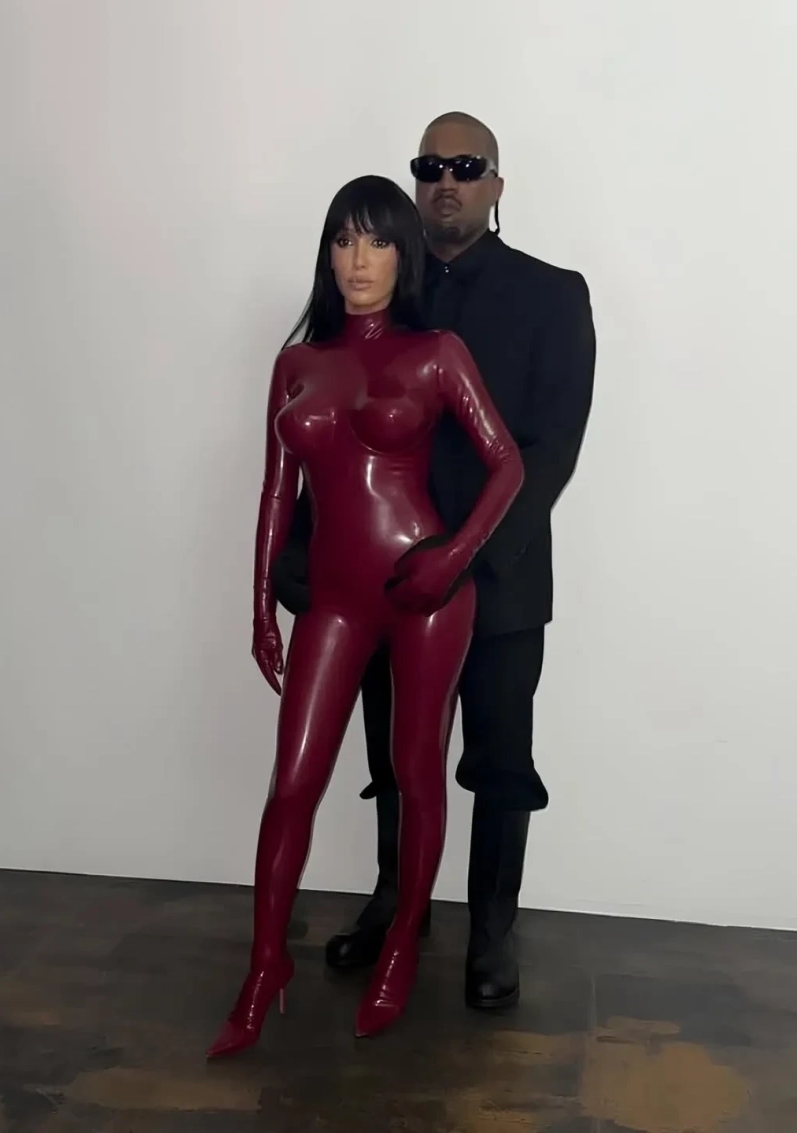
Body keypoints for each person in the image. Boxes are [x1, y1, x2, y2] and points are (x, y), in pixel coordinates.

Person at [272, 113, 597, 1011]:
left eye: (465, 165)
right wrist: (300, 553)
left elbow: (551, 448)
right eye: (429, 166)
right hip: (385, 581)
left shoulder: (551, 294)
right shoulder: (387, 292)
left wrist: (467, 557)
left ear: (495, 185)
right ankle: (394, 907)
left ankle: (491, 931)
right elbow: (329, 436)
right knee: (395, 758)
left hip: (499, 579)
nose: (445, 180)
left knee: (500, 762)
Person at [207, 175, 523, 1059]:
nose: (359, 259)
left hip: (427, 594)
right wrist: (260, 605)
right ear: (328, 253)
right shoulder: (298, 364)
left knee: (417, 772)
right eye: (344, 240)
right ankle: (264, 964)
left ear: (403, 254)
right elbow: (277, 492)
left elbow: (506, 464)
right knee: (292, 784)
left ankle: (401, 948)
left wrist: (454, 557)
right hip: (337, 600)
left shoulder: (437, 352)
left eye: (378, 241)